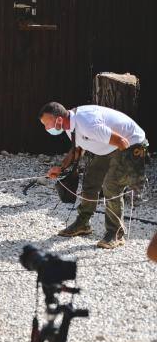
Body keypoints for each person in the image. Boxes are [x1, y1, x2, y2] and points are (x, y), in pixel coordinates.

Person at [38, 102, 149, 249]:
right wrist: (61, 168)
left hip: (131, 143)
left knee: (111, 185)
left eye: (47, 124)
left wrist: (130, 169)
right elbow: (77, 149)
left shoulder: (88, 123)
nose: (46, 129)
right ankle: (83, 223)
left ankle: (115, 233)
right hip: (110, 145)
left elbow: (122, 142)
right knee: (90, 180)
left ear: (59, 120)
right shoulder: (69, 124)